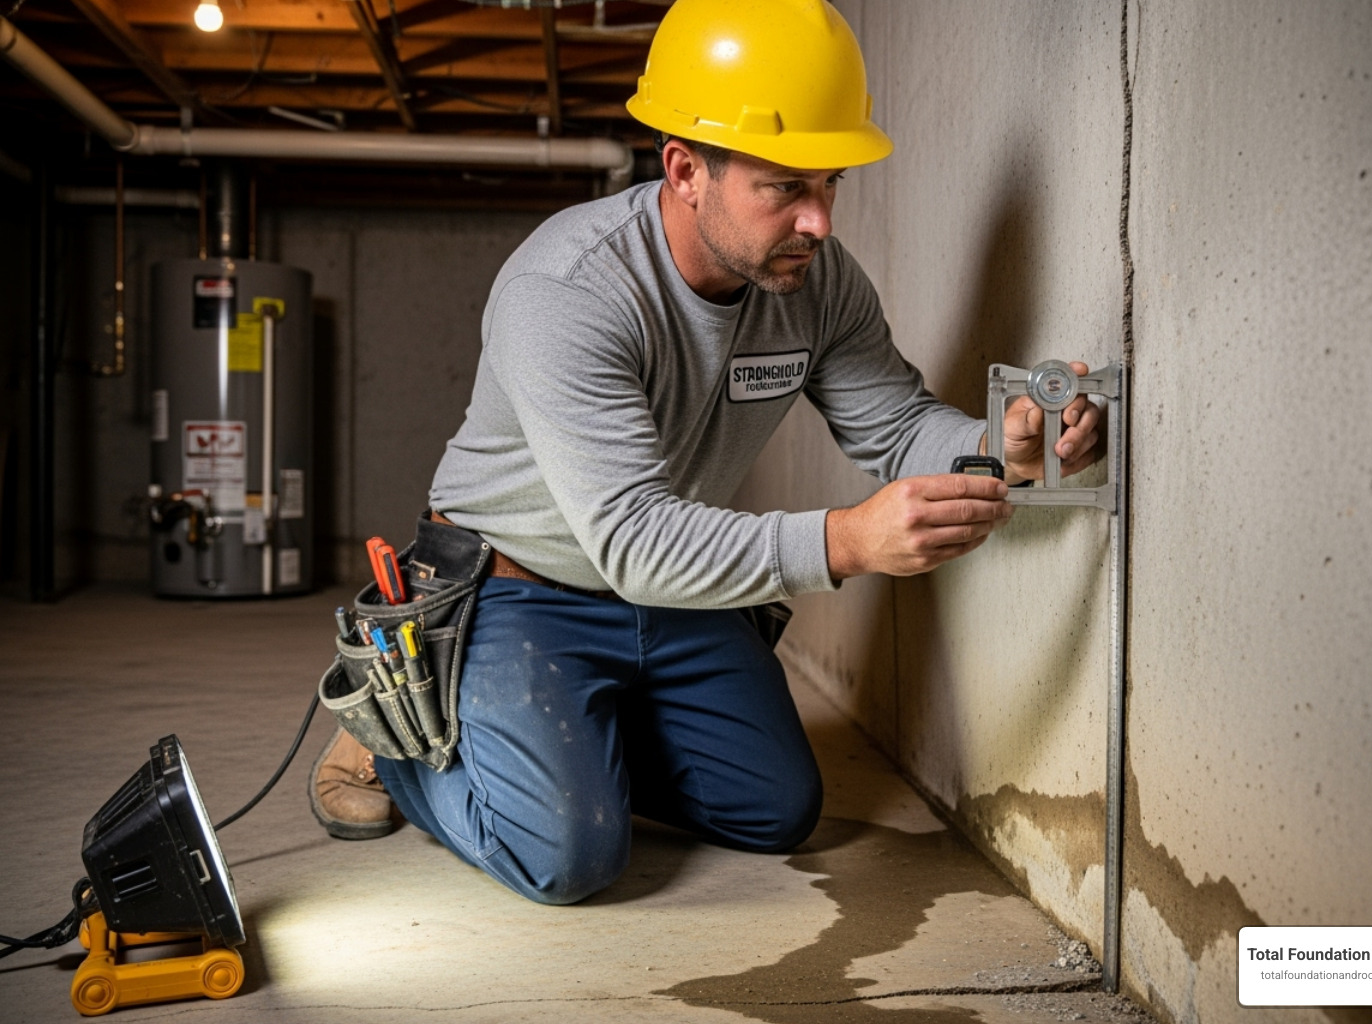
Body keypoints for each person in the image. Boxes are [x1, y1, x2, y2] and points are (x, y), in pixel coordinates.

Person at [309, 0, 1102, 903]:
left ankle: (573, 742)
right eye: (785, 188)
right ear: (686, 170)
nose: (819, 222)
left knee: (775, 809)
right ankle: (397, 736)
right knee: (566, 857)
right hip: (519, 587)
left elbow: (896, 427)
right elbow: (632, 538)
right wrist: (846, 541)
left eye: (831, 183)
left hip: (665, 590)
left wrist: (1003, 448)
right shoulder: (566, 290)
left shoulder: (814, 282)